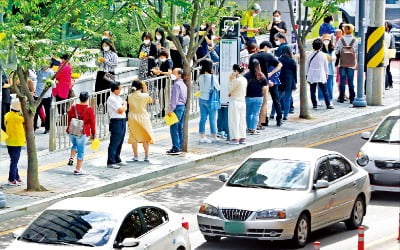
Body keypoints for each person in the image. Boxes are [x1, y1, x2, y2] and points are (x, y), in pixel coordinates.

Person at [249, 41, 283, 127]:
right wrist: (271, 73)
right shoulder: (268, 55)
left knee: (262, 102)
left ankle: (264, 121)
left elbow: (250, 70)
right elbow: (279, 65)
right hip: (266, 81)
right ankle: (279, 119)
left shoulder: (253, 56)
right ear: (265, 47)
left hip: (256, 82)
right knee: (276, 100)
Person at [66, 91, 96, 175]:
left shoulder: (73, 107)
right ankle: (78, 169)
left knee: (75, 144)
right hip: (82, 132)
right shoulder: (89, 109)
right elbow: (92, 123)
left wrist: (68, 128)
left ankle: (71, 157)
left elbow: (69, 119)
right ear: (87, 98)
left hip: (72, 131)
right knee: (81, 150)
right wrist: (94, 134)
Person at [127, 80, 154, 162]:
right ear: (141, 87)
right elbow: (151, 101)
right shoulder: (145, 96)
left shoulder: (129, 96)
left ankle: (135, 156)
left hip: (132, 117)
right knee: (145, 136)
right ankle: (146, 156)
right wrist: (145, 90)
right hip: (143, 117)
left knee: (133, 137)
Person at [306, 38, 334, 110]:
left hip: (312, 73)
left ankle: (314, 104)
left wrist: (306, 74)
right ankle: (328, 104)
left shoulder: (309, 54)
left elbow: (307, 65)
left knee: (312, 90)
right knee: (325, 90)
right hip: (321, 74)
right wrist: (327, 73)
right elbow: (326, 66)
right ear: (321, 46)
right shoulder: (323, 55)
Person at [107, 81, 128, 169]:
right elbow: (120, 110)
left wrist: (124, 107)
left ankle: (117, 158)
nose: (120, 90)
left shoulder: (118, 97)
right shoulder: (112, 98)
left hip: (122, 120)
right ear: (115, 90)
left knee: (120, 141)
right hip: (116, 121)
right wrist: (125, 105)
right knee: (114, 142)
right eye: (119, 89)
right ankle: (111, 161)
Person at [198, 59, 220, 143]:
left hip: (202, 99)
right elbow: (218, 88)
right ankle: (214, 136)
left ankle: (202, 136)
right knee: (212, 118)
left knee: (203, 118)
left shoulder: (200, 76)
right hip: (210, 100)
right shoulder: (212, 77)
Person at [166, 68, 187, 155]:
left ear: (179, 75)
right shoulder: (183, 84)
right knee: (179, 127)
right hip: (182, 107)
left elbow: (174, 99)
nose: (172, 74)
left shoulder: (176, 85)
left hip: (177, 107)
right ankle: (180, 145)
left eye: (174, 73)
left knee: (174, 127)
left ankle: (175, 147)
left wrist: (170, 110)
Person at [244, 59, 268, 134]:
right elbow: (265, 87)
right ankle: (254, 129)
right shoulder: (261, 76)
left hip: (248, 97)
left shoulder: (246, 76)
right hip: (259, 97)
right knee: (256, 113)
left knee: (248, 113)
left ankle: (248, 128)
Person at [335, 24, 357, 104]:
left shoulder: (341, 40)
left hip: (342, 64)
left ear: (344, 30)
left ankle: (341, 97)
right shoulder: (355, 40)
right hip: (351, 64)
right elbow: (357, 52)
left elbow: (336, 51)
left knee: (342, 81)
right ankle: (352, 98)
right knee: (351, 81)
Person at [4, 100, 25, 186]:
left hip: (9, 141)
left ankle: (17, 177)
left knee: (13, 160)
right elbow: (25, 119)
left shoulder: (7, 115)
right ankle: (11, 179)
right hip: (17, 142)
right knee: (14, 161)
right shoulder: (18, 118)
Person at [228, 64, 247, 145]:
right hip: (242, 101)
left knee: (234, 120)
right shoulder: (244, 79)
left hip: (235, 101)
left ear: (236, 71)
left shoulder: (236, 80)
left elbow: (229, 89)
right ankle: (242, 137)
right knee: (242, 120)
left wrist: (230, 80)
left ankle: (235, 138)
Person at [276, 46, 297, 120]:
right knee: (287, 99)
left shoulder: (279, 60)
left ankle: (273, 113)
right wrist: (295, 83)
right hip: (289, 82)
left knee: (277, 98)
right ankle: (285, 115)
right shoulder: (292, 61)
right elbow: (295, 73)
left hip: (280, 81)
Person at [152, 49, 173, 117]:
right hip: (161, 83)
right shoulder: (163, 62)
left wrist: (160, 72)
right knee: (161, 97)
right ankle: (162, 110)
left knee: (164, 97)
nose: (161, 58)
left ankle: (164, 111)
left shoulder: (169, 62)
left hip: (165, 82)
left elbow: (169, 72)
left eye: (162, 57)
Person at [34, 65, 54, 134]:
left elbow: (54, 85)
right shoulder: (38, 71)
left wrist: (49, 83)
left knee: (48, 112)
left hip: (47, 95)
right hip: (38, 95)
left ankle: (47, 128)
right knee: (35, 111)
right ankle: (33, 127)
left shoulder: (50, 73)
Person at [318, 34, 336, 103]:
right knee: (320, 86)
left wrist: (331, 58)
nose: (326, 41)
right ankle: (321, 99)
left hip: (330, 70)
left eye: (327, 40)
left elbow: (334, 57)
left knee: (330, 86)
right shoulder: (320, 50)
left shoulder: (332, 50)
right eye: (325, 40)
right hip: (321, 71)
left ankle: (330, 99)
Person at [385, 21, 395, 90]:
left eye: (385, 25)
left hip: (388, 52)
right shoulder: (390, 34)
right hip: (388, 52)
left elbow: (392, 45)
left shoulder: (390, 35)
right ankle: (390, 83)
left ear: (388, 27)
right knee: (387, 69)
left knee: (387, 69)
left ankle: (389, 83)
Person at [1, 66, 11, 132]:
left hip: (7, 97)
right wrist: (10, 84)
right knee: (3, 115)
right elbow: (3, 85)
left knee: (6, 114)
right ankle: (3, 130)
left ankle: (6, 129)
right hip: (3, 98)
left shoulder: (4, 72)